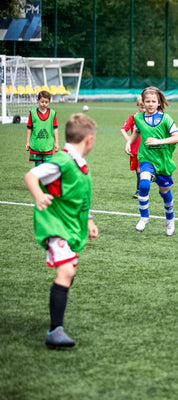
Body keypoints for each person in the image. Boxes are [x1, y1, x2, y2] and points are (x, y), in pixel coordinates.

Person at [24, 113, 99, 348]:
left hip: (70, 225)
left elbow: (78, 197)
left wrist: (88, 220)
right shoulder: (64, 160)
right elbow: (31, 175)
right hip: (54, 225)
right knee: (65, 272)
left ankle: (56, 321)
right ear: (88, 140)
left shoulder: (78, 163)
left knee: (70, 273)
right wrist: (38, 195)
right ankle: (54, 331)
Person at [125, 86, 178, 236]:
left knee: (165, 192)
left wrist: (158, 141)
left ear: (158, 103)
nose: (150, 104)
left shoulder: (165, 118)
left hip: (163, 161)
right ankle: (144, 217)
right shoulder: (138, 117)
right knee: (143, 183)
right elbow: (137, 131)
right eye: (147, 101)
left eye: (153, 101)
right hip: (146, 158)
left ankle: (170, 219)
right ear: (142, 102)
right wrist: (129, 142)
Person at [25, 90, 59, 165]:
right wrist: (27, 142)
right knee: (38, 168)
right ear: (37, 100)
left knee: (47, 168)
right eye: (42, 102)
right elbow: (29, 128)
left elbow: (55, 128)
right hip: (36, 146)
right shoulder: (32, 113)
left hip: (48, 145)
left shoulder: (52, 113)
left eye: (46, 102)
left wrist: (56, 143)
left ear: (49, 102)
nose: (44, 104)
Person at [120, 96, 145, 198]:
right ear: (137, 106)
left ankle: (139, 191)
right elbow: (123, 129)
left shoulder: (150, 118)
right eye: (141, 107)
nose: (143, 109)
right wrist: (128, 140)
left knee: (140, 170)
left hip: (146, 149)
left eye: (145, 107)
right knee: (138, 170)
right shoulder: (133, 117)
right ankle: (141, 188)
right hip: (135, 149)